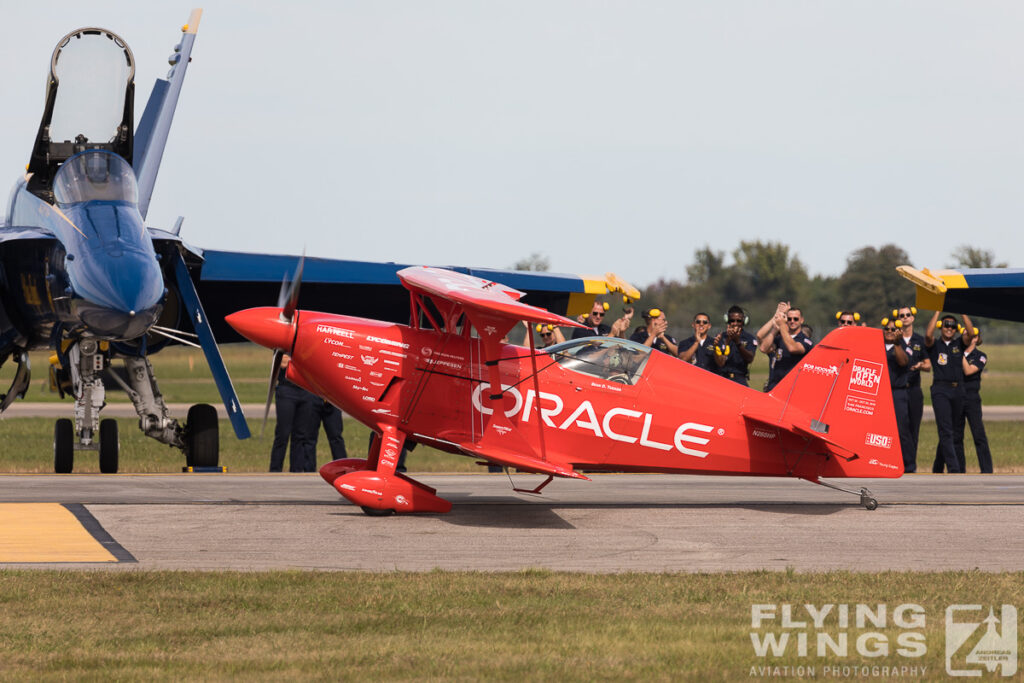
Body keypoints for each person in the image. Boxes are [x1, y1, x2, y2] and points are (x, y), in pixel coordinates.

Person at [925, 311, 974, 473]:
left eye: (953, 326)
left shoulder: (958, 344)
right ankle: (954, 469)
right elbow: (928, 334)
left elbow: (971, 333)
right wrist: (937, 311)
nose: (949, 328)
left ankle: (938, 467)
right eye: (946, 325)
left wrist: (963, 313)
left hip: (958, 389)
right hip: (941, 389)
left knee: (956, 431)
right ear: (941, 326)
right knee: (945, 429)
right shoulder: (935, 345)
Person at [895, 306, 930, 461]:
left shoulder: (919, 340)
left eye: (907, 315)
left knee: (914, 428)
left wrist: (921, 366)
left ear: (913, 317)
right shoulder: (895, 339)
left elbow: (928, 365)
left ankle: (911, 463)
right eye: (901, 315)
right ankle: (899, 460)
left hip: (914, 389)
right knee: (900, 429)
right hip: (899, 389)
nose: (905, 318)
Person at [269, 355, 314, 473]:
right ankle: (275, 469)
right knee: (283, 433)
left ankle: (297, 469)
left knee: (300, 434)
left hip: (306, 390)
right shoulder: (286, 344)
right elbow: (283, 361)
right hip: (287, 390)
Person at [881, 317, 914, 473]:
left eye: (893, 329)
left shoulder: (903, 346)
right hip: (880, 393)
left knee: (901, 431)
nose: (889, 332)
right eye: (887, 329)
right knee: (880, 432)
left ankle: (909, 466)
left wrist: (897, 343)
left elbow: (903, 362)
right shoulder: (877, 346)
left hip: (896, 392)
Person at [958, 328, 993, 473]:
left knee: (978, 434)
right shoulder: (955, 352)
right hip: (956, 396)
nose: (968, 337)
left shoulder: (980, 356)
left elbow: (968, 370)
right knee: (955, 434)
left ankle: (986, 470)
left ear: (976, 338)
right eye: (965, 334)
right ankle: (958, 469)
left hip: (972, 398)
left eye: (972, 335)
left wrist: (959, 354)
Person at [757, 302, 813, 392]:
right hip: (774, 387)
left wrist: (782, 325)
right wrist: (775, 328)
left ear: (802, 320)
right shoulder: (780, 338)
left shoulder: (805, 340)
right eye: (789, 319)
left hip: (793, 389)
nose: (792, 321)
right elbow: (763, 348)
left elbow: (792, 348)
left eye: (796, 319)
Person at [298, 398, 348, 472]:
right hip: (313, 398)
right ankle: (309, 470)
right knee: (309, 438)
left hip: (332, 400)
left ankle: (342, 469)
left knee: (336, 437)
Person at [712, 305, 758, 386]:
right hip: (723, 378)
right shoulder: (721, 337)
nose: (735, 323)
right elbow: (720, 363)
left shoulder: (749, 338)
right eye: (732, 320)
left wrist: (737, 342)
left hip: (740, 379)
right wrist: (728, 341)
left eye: (738, 321)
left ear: (744, 321)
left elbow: (750, 358)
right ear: (727, 321)